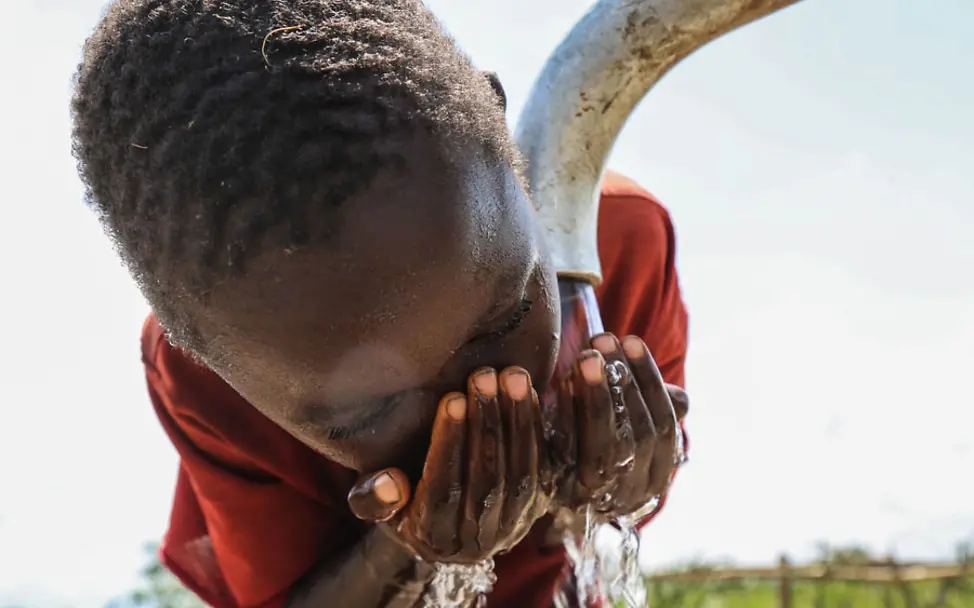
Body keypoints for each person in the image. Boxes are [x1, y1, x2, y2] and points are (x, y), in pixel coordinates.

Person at [71, 1, 689, 607]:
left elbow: (603, 534)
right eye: (373, 412)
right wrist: (405, 550)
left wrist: (620, 482)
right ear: (209, 360)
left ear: (502, 138)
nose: (468, 407)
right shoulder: (204, 382)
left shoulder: (616, 246)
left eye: (509, 318)